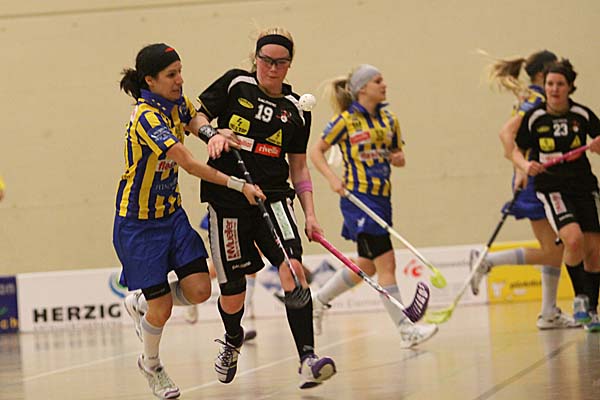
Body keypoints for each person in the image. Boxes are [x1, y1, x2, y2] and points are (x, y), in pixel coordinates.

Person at [114, 43, 264, 400]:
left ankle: (141, 304)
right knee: (162, 309)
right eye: (171, 74)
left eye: (180, 71)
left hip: (172, 216)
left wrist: (212, 132)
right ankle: (151, 365)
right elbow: (190, 164)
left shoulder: (176, 102)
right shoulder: (146, 118)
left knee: (199, 290)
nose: (180, 79)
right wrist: (238, 185)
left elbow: (194, 118)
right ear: (150, 81)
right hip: (139, 224)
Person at [194, 27, 336, 389]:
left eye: (280, 62)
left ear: (290, 65)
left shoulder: (297, 110)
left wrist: (311, 214)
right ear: (255, 59)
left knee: (294, 269)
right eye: (266, 60)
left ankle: (307, 358)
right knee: (233, 292)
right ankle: (232, 339)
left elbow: (299, 167)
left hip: (274, 199)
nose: (272, 68)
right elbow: (195, 117)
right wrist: (213, 134)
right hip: (228, 197)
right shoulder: (235, 84)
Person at [308, 64, 438, 348]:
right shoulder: (345, 121)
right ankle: (406, 330)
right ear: (362, 88)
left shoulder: (390, 120)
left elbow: (398, 154)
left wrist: (398, 158)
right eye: (378, 80)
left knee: (366, 265)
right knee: (387, 262)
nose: (384, 84)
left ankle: (318, 300)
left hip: (382, 199)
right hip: (358, 199)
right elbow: (316, 151)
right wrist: (332, 179)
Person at [470, 50, 579, 329]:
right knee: (553, 250)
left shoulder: (531, 97)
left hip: (540, 178)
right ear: (542, 74)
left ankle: (549, 312)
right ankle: (488, 261)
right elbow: (508, 135)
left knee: (554, 247)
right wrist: (521, 167)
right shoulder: (538, 100)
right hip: (535, 180)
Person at [512, 59, 600, 332]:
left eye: (560, 84)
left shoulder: (582, 115)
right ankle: (580, 297)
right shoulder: (534, 118)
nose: (554, 89)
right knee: (573, 240)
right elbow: (516, 150)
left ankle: (592, 311)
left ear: (570, 87)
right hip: (552, 189)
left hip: (584, 187)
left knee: (594, 251)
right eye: (550, 84)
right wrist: (525, 166)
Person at [183, 213, 258, 342]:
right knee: (229, 263)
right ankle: (192, 290)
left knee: (250, 265)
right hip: (227, 215)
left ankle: (237, 327)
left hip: (245, 215)